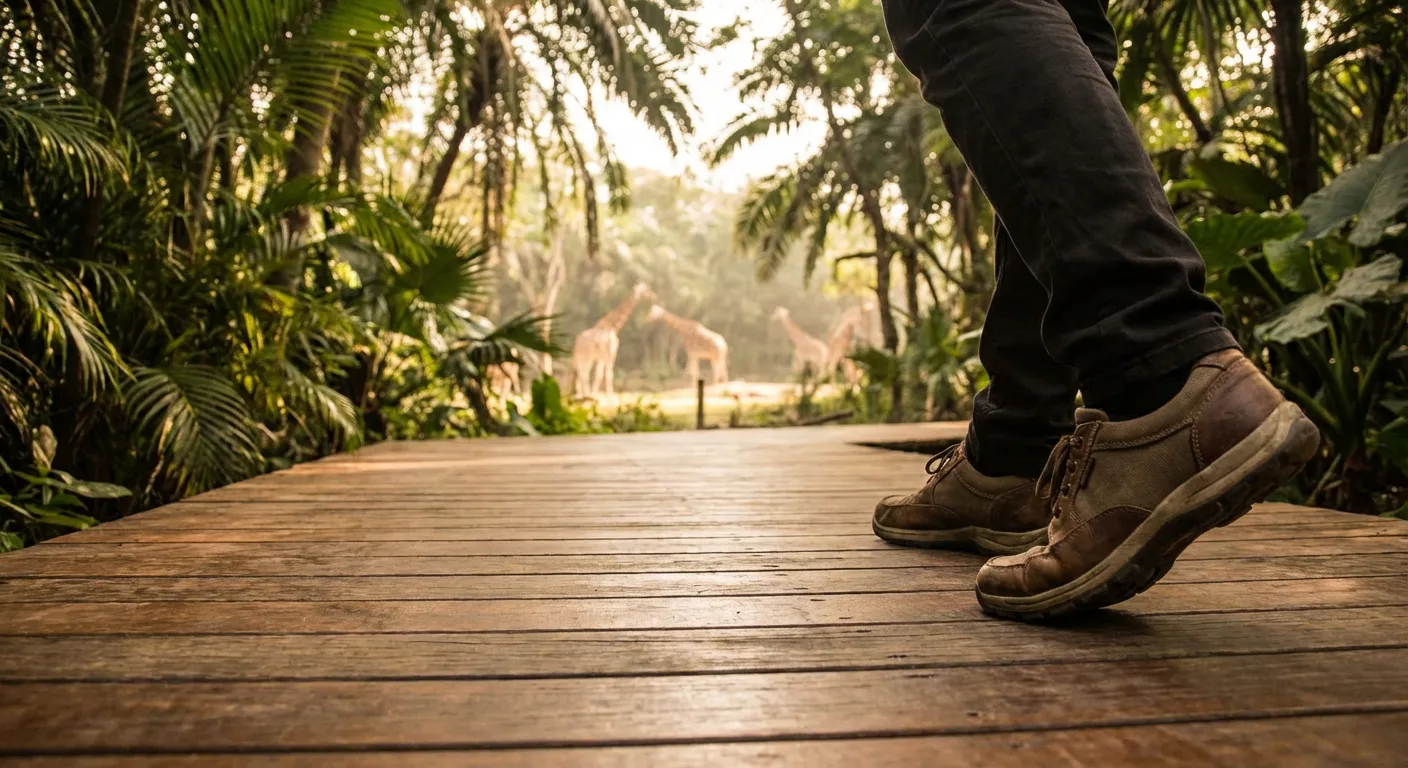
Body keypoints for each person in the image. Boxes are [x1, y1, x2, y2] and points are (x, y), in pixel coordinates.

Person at [871, 0, 1321, 620]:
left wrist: (1154, 351)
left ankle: (1160, 374)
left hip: (1157, 355)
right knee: (1065, 18)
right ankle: (1017, 448)